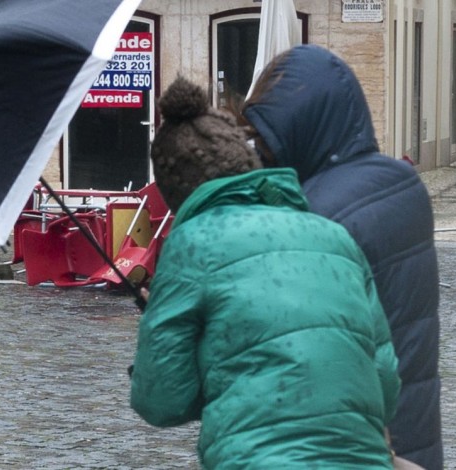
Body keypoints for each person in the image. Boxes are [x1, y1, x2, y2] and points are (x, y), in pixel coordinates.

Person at [129, 76, 400, 468]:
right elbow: (385, 381)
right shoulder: (335, 238)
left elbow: (161, 400)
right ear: (247, 163)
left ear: (176, 195)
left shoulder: (191, 243)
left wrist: (184, 339)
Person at [242, 44, 442, 469]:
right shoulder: (403, 183)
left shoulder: (317, 215)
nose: (261, 151)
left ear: (301, 126)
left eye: (265, 137)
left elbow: (281, 346)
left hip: (345, 445)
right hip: (412, 430)